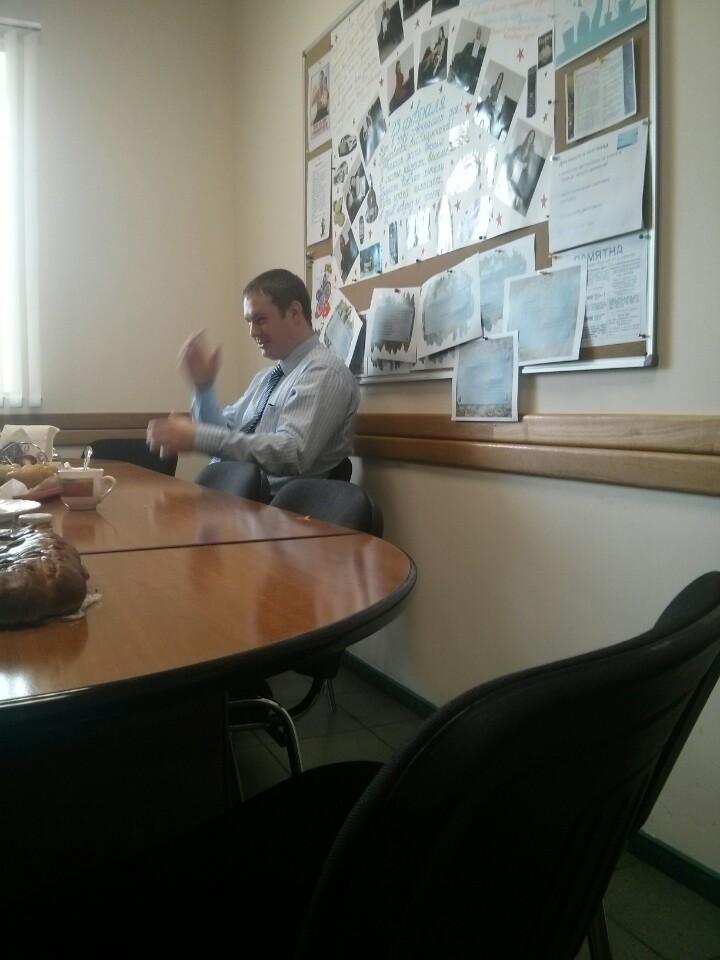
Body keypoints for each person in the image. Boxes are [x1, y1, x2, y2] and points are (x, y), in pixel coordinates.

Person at [147, 269, 359, 493]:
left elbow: (290, 453)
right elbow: (222, 436)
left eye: (260, 319)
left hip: (275, 507)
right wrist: (204, 389)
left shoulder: (324, 372)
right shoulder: (266, 378)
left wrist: (197, 437)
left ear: (295, 313)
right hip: (231, 498)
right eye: (249, 321)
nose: (252, 332)